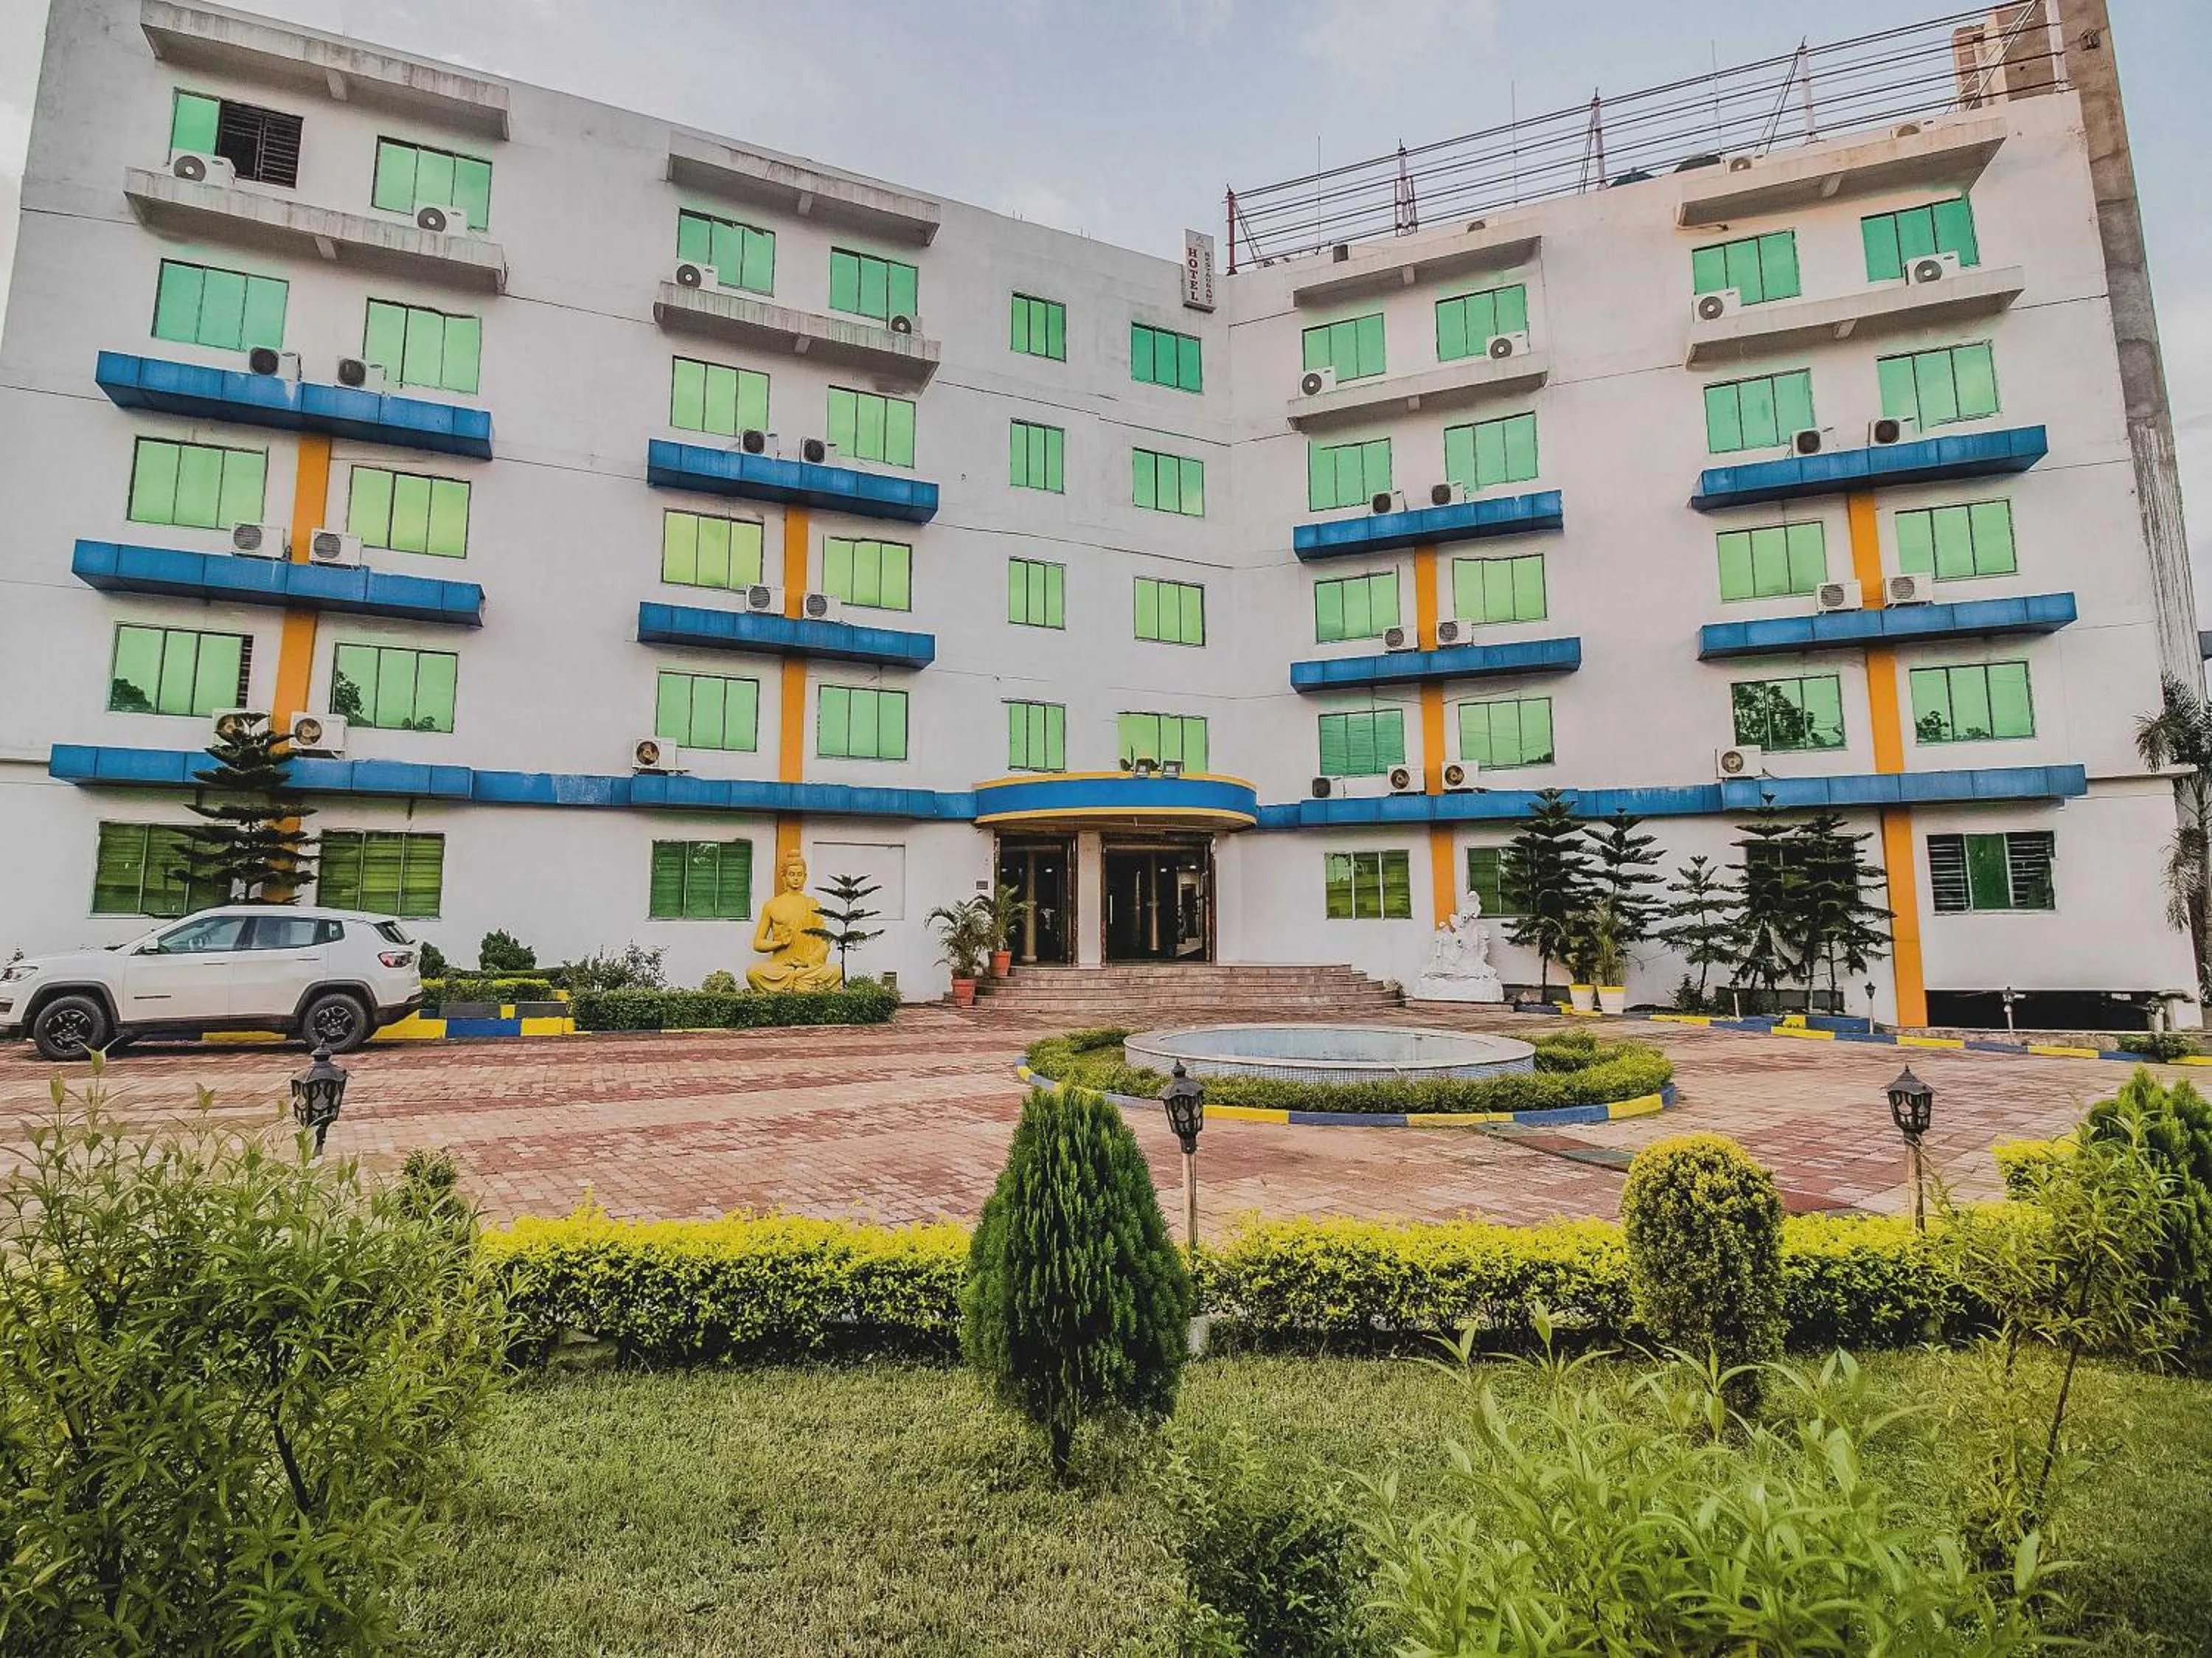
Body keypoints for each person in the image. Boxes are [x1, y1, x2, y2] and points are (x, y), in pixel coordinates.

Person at [747, 851, 843, 991]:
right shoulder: (771, 905)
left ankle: (794, 981)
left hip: (807, 966)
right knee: (753, 972)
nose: (796, 879)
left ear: (805, 877)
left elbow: (825, 941)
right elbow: (758, 943)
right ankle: (799, 983)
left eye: (799, 875)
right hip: (781, 966)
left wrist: (810, 961)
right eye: (792, 874)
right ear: (784, 877)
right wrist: (780, 943)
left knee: (837, 971)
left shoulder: (812, 904)